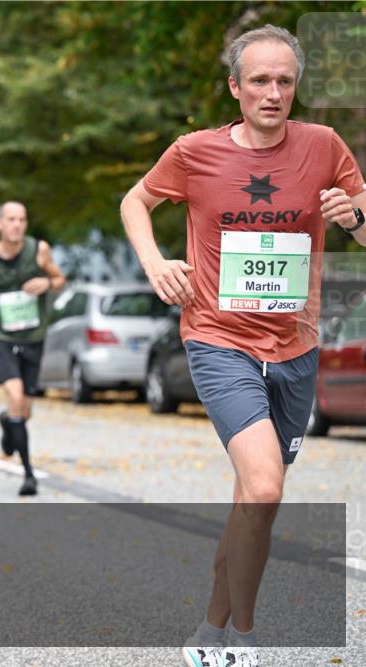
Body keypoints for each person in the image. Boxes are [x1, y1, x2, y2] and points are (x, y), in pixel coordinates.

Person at [119, 25, 366, 667]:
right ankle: (247, 642)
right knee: (262, 488)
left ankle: (208, 634)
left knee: (250, 502)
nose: (274, 92)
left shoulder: (325, 146)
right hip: (217, 338)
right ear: (235, 87)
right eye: (259, 80)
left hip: (295, 345)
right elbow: (135, 201)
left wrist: (355, 218)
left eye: (285, 80)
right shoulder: (194, 152)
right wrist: (154, 264)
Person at [0, 201, 66, 496]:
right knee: (14, 394)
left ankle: (7, 422)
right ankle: (28, 474)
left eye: (22, 219)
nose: (17, 225)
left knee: (24, 410)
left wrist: (47, 283)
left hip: (33, 335)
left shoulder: (39, 250)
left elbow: (60, 280)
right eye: (11, 219)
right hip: (1, 335)